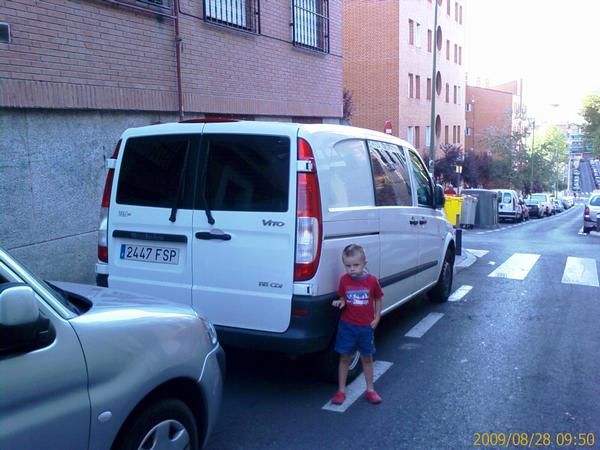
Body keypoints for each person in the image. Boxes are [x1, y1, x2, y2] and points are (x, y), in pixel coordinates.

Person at [331, 244, 383, 405]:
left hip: (365, 327)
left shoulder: (372, 281)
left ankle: (370, 389)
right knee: (345, 358)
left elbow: (378, 298)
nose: (352, 269)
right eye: (348, 266)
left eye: (356, 265)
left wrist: (377, 317)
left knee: (367, 358)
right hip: (347, 326)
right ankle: (341, 390)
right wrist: (340, 302)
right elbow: (343, 297)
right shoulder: (344, 280)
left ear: (364, 264)